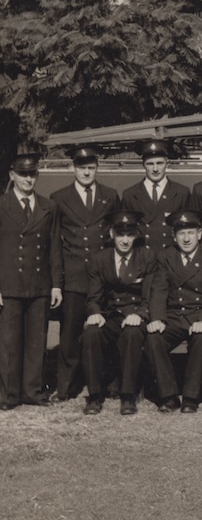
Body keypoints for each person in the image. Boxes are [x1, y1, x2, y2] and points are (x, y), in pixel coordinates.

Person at [49, 144, 120, 402]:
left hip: (103, 278)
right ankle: (66, 388)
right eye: (82, 168)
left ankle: (109, 384)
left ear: (97, 168)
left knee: (106, 330)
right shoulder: (59, 198)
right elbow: (56, 245)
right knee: (69, 336)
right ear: (73, 168)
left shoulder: (110, 195)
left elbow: (116, 239)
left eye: (91, 168)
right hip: (74, 278)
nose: (87, 173)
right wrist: (57, 282)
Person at [0, 153, 63, 410]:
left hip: (39, 283)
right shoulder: (2, 204)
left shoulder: (49, 207)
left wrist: (56, 284)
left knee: (37, 341)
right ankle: (9, 395)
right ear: (12, 175)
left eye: (32, 174)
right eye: (23, 174)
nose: (28, 179)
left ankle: (33, 392)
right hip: (10, 283)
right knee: (9, 341)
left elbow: (54, 248)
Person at [81, 210, 157, 415]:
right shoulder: (100, 259)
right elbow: (93, 296)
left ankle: (127, 395)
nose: (125, 240)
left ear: (136, 235)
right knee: (91, 333)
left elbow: (151, 294)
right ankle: (95, 396)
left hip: (136, 314)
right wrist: (95, 312)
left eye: (130, 235)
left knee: (132, 334)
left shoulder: (146, 256)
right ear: (111, 234)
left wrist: (140, 314)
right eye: (120, 234)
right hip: (112, 315)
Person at [144, 210, 202, 414]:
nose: (186, 239)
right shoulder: (166, 256)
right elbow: (159, 289)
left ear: (200, 234)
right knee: (153, 337)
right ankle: (169, 396)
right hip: (174, 317)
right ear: (174, 236)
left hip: (200, 315)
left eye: (191, 233)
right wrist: (158, 318)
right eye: (181, 234)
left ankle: (191, 397)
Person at [121, 139, 191, 251]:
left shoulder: (181, 192)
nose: (155, 169)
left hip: (170, 259)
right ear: (143, 165)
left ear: (167, 163)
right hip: (142, 259)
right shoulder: (130, 194)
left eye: (159, 163)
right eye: (150, 164)